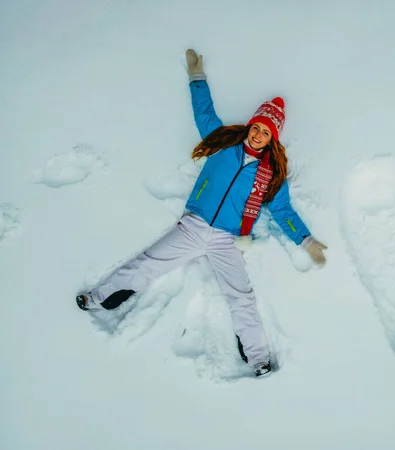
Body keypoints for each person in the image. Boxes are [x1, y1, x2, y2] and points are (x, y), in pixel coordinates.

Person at [76, 49, 328, 378]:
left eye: (266, 132)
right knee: (148, 263)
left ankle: (258, 359)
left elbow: (282, 210)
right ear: (251, 125)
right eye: (257, 127)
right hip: (193, 226)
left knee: (241, 297)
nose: (258, 135)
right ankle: (99, 298)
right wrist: (197, 77)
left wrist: (306, 241)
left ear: (272, 138)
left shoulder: (271, 173)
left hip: (227, 240)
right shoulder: (223, 143)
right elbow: (204, 112)